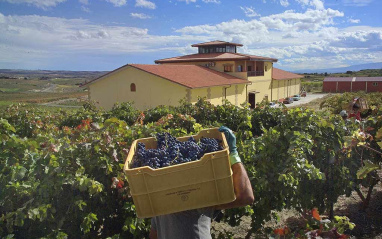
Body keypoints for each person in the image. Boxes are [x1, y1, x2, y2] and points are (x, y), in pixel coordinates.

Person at [149, 126, 254, 239]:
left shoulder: (160, 196)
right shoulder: (197, 197)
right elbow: (245, 196)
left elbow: (154, 234)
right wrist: (233, 155)